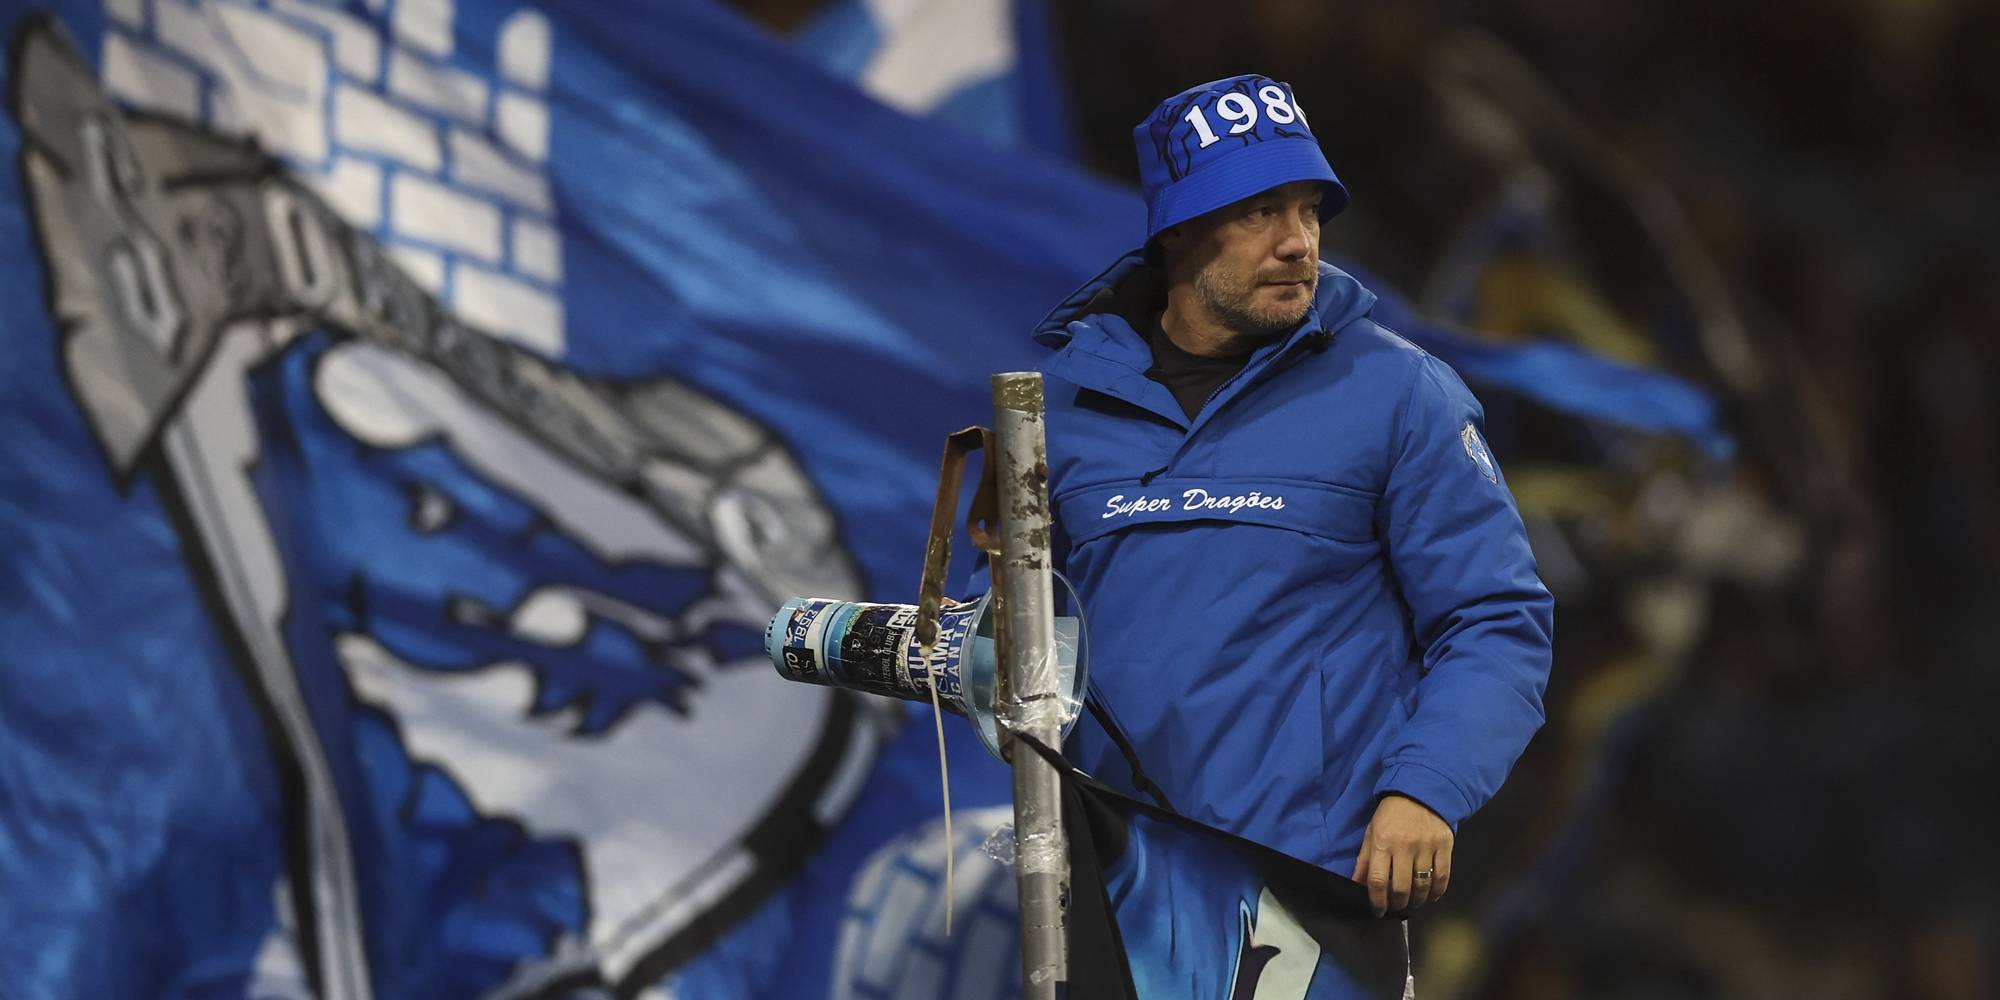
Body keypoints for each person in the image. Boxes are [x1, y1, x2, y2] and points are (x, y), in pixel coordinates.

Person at [1029, 74, 1554, 917]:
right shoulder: (1054, 407)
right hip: (1109, 896)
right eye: (1259, 212)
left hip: (1317, 896)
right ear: (1178, 231)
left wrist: (1426, 788)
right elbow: (1005, 634)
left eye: (1309, 210)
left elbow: (1495, 620)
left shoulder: (1399, 391)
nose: (1299, 242)